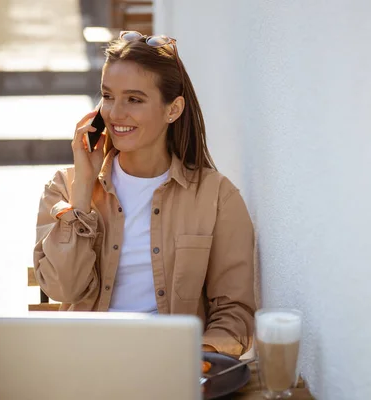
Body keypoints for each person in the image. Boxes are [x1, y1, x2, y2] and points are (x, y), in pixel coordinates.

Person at [33, 31, 256, 358]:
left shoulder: (217, 197)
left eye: (134, 99)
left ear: (173, 109)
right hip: (85, 362)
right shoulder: (64, 187)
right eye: (108, 96)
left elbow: (235, 314)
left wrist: (190, 359)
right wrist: (83, 188)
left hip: (172, 366)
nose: (115, 113)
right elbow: (61, 289)